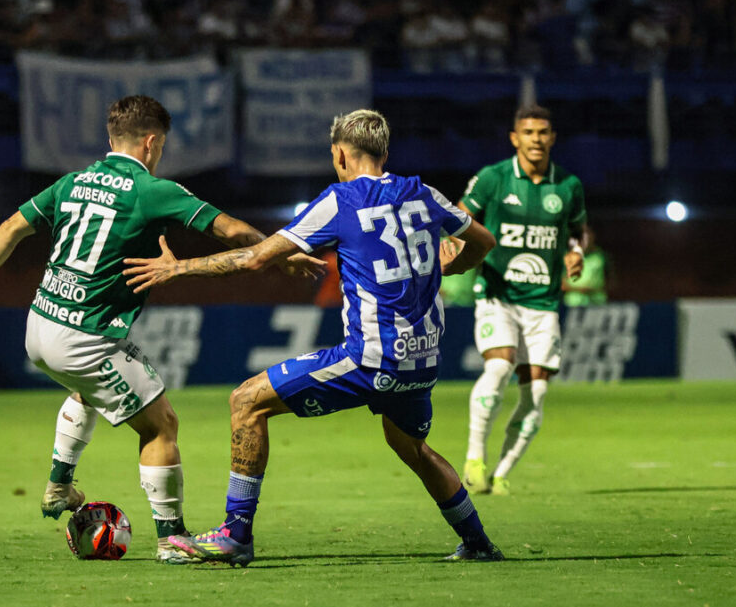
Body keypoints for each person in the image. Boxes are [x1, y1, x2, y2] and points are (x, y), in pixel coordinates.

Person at [0, 95, 324, 564]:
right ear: (151, 143)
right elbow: (229, 231)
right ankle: (172, 540)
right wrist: (281, 254)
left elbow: (11, 226)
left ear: (111, 140)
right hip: (84, 337)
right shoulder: (154, 190)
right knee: (161, 425)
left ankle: (59, 485)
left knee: (89, 391)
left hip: (39, 327)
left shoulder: (73, 181)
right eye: (160, 145)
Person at [124, 109, 502, 566]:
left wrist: (177, 268)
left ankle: (235, 534)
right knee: (413, 448)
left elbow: (254, 260)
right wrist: (447, 266)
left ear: (339, 154)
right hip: (421, 362)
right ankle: (478, 542)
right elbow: (481, 242)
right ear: (384, 153)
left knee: (246, 402)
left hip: (371, 360)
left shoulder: (341, 200)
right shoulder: (424, 194)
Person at [453, 105, 587, 496]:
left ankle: (501, 472)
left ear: (552, 138)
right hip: (498, 294)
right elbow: (461, 219)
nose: (536, 139)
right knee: (498, 369)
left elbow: (578, 230)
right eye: (528, 132)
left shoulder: (568, 185)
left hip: (543, 302)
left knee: (538, 393)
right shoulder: (493, 179)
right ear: (515, 138)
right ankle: (475, 457)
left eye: (543, 132)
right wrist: (451, 248)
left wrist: (576, 251)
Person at [562, 224, 611, 306]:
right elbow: (560, 283)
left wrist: (595, 290)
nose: (585, 240)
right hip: (572, 304)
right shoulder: (567, 257)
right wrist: (580, 290)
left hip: (596, 304)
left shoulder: (601, 256)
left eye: (588, 236)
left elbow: (610, 281)